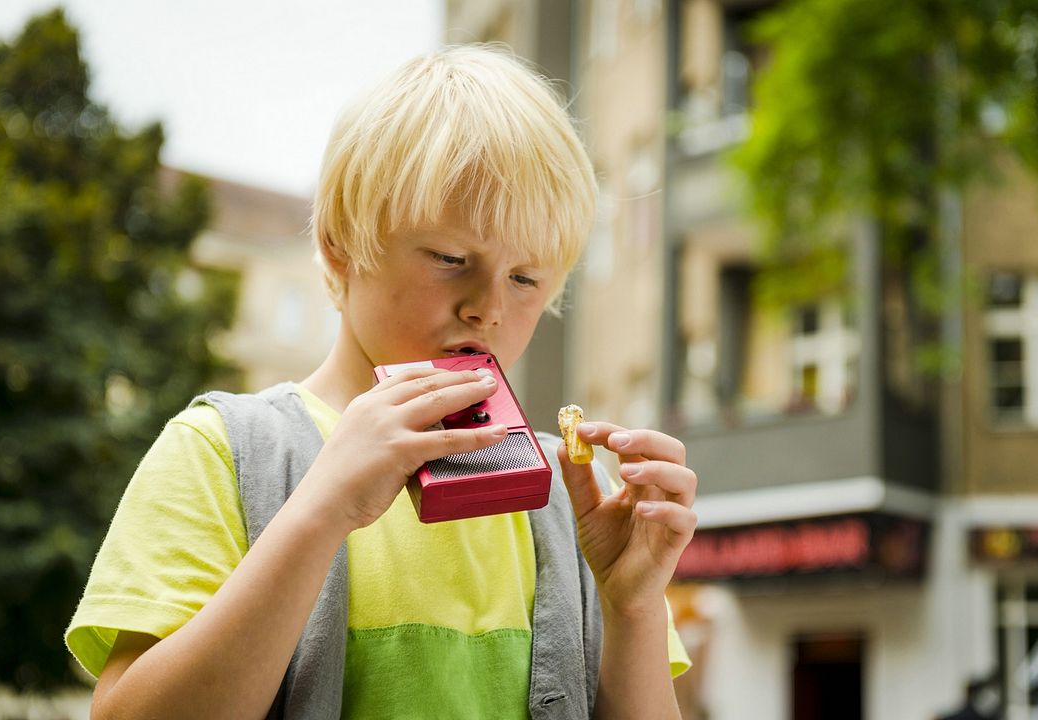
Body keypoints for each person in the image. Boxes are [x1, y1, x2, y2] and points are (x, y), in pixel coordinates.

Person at [66, 44, 698, 719]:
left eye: (525, 278)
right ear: (340, 244)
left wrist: (629, 609)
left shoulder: (572, 497)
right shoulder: (225, 451)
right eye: (451, 258)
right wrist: (320, 512)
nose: (487, 305)